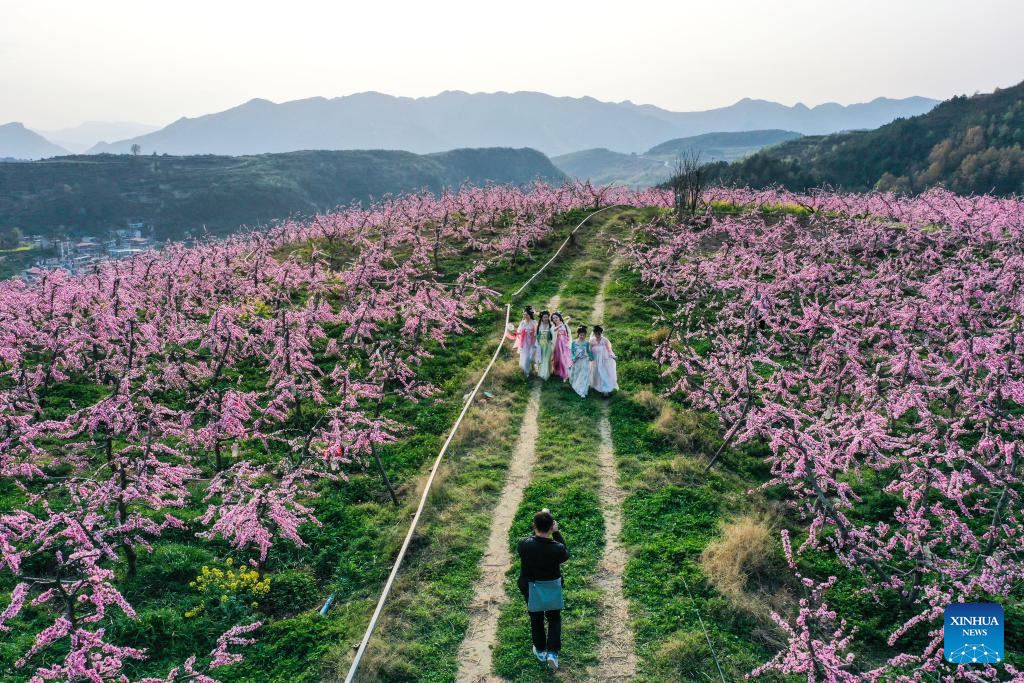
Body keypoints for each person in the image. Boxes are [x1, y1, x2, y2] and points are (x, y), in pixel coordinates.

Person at [517, 509, 569, 671]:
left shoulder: (524, 544)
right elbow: (565, 553)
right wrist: (557, 533)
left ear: (534, 526)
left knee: (536, 617)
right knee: (554, 618)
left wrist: (539, 527)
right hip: (552, 587)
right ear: (552, 527)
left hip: (531, 587)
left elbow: (530, 540)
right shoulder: (557, 548)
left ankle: (540, 650)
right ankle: (552, 652)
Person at [589, 324, 618, 398]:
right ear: (594, 333)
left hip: (604, 360)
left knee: (604, 373)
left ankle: (606, 391)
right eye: (596, 334)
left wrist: (612, 356)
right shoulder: (592, 340)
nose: (597, 335)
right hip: (595, 360)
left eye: (599, 334)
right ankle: (598, 386)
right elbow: (590, 350)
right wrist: (590, 357)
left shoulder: (605, 340)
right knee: (597, 373)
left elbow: (609, 349)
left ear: (601, 333)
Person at [510, 307, 538, 377]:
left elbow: (537, 332)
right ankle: (526, 371)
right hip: (524, 341)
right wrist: (515, 332)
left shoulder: (534, 322)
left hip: (532, 340)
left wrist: (533, 333)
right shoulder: (522, 322)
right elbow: (519, 331)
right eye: (524, 314)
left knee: (532, 356)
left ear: (530, 315)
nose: (525, 316)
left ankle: (532, 366)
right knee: (525, 355)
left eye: (526, 315)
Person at [569, 325, 592, 398]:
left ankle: (582, 391)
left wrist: (592, 358)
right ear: (578, 334)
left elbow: (588, 352)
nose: (582, 336)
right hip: (577, 361)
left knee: (583, 375)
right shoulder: (574, 342)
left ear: (585, 335)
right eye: (581, 335)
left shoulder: (587, 343)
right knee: (577, 374)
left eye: (584, 335)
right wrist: (573, 358)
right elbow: (572, 352)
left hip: (584, 361)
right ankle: (576, 386)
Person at [551, 312, 571, 382]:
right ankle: (558, 371)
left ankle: (565, 374)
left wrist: (568, 342)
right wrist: (560, 325)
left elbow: (568, 334)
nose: (555, 319)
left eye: (556, 317)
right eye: (553, 318)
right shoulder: (553, 326)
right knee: (558, 358)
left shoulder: (565, 325)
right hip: (557, 344)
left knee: (564, 358)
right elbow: (554, 330)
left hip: (564, 344)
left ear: (559, 317)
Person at [536, 310, 554, 380]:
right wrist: (537, 344)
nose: (546, 318)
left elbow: (553, 336)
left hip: (548, 345)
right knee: (541, 359)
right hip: (541, 345)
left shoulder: (551, 325)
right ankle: (541, 372)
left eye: (547, 317)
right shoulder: (539, 326)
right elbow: (537, 336)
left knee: (547, 359)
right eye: (544, 317)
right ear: (542, 318)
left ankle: (546, 374)